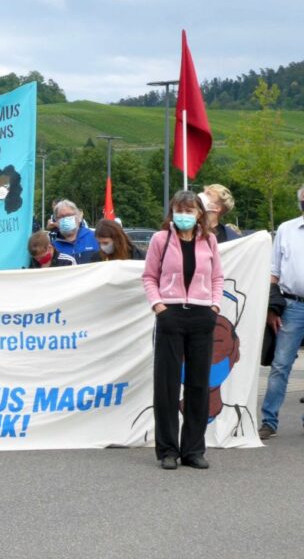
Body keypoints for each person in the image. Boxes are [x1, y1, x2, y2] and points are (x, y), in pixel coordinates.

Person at [142, 190, 223, 471]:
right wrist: (159, 306)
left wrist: (214, 306)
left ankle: (193, 450)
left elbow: (217, 277)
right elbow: (150, 276)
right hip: (170, 315)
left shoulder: (209, 240)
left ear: (199, 213)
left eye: (189, 211)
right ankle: (167, 451)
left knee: (199, 385)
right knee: (167, 385)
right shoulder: (160, 240)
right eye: (179, 210)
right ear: (171, 212)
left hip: (202, 316)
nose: (184, 215)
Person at [258, 185, 304, 439]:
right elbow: (273, 272)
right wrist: (271, 308)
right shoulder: (286, 230)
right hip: (292, 305)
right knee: (280, 365)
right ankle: (269, 420)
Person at [51, 199, 99, 264]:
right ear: (56, 220)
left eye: (69, 215)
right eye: (61, 216)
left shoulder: (95, 237)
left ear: (77, 216)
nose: (65, 219)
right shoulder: (53, 247)